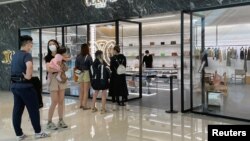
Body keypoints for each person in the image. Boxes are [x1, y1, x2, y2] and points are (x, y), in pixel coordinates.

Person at [10, 35, 49, 140]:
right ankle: (38, 132)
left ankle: (19, 134)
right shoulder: (26, 55)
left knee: (17, 110)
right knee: (33, 110)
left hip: (15, 86)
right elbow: (30, 66)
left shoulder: (15, 55)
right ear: (27, 44)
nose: (31, 46)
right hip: (25, 87)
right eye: (31, 44)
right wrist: (28, 76)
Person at [44, 39, 68, 130]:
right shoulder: (47, 57)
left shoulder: (60, 55)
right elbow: (49, 69)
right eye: (50, 44)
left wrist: (62, 68)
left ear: (57, 45)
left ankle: (61, 120)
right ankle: (49, 122)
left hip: (61, 78)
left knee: (61, 101)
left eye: (53, 44)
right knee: (54, 101)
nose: (52, 46)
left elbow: (65, 68)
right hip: (53, 79)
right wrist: (59, 69)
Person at [75, 43, 93, 110]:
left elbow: (76, 65)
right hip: (86, 73)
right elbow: (91, 66)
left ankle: (80, 104)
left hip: (79, 73)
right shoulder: (88, 57)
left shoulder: (78, 56)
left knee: (81, 90)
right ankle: (84, 105)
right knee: (86, 91)